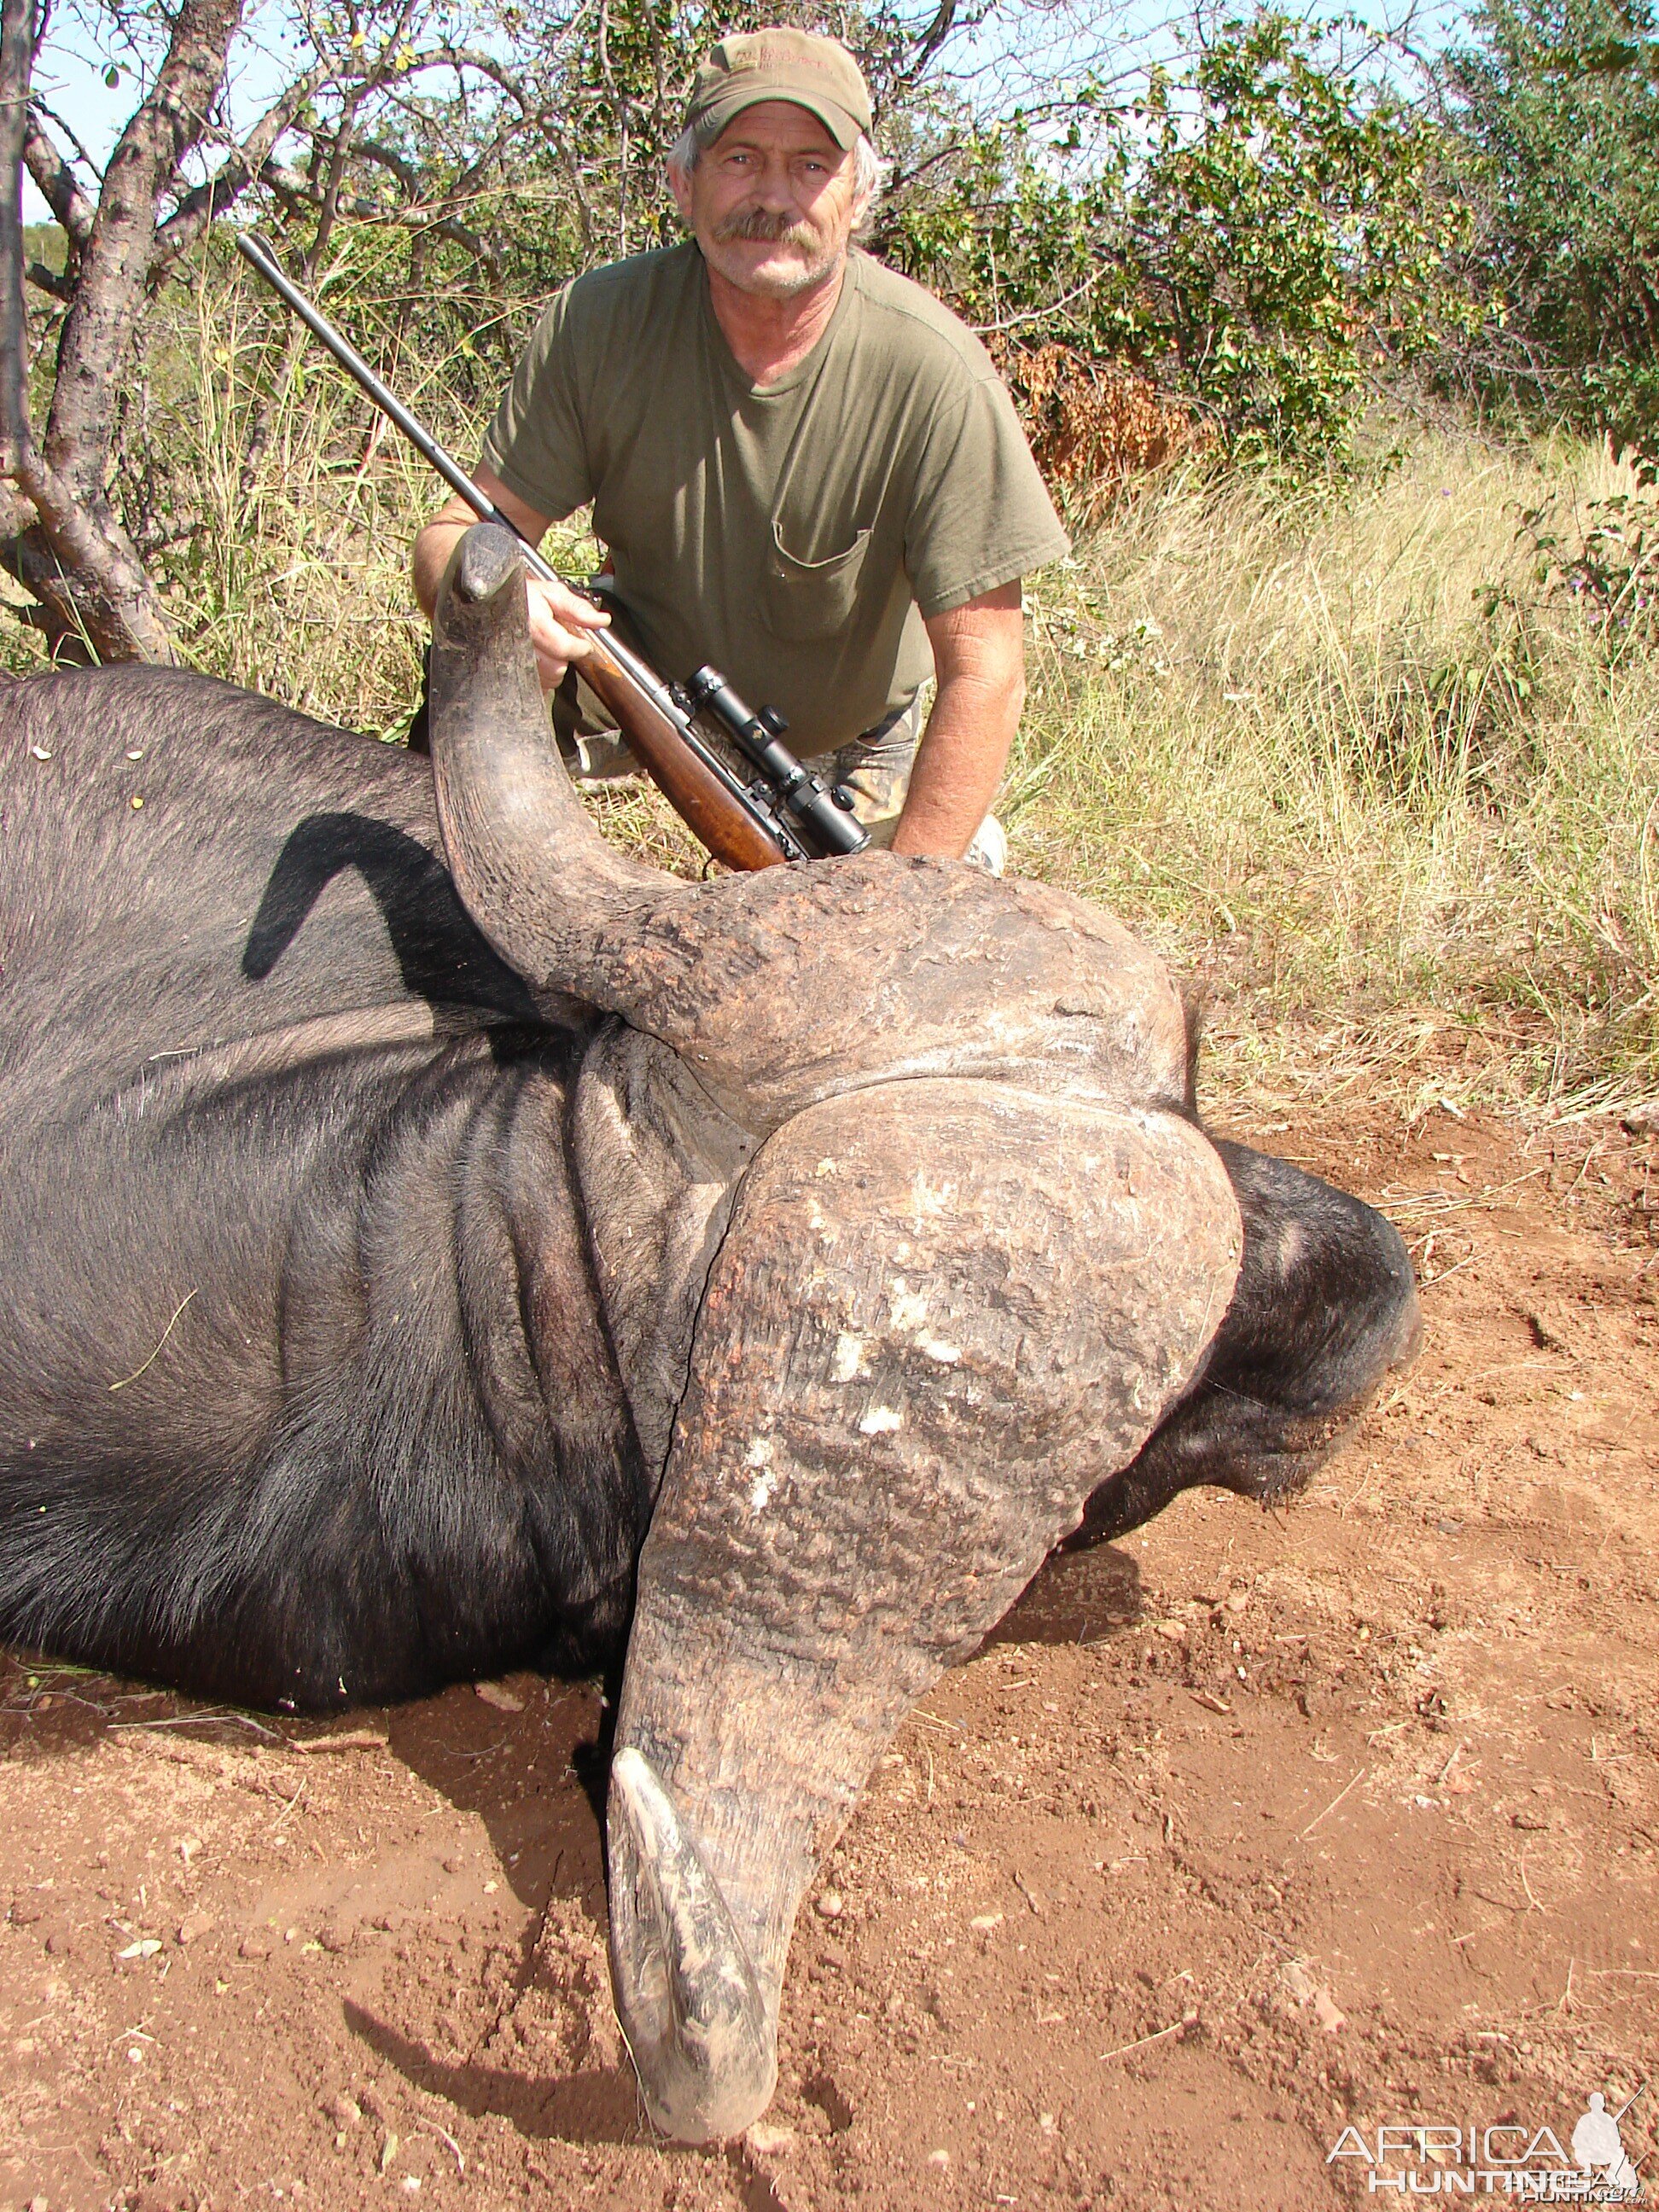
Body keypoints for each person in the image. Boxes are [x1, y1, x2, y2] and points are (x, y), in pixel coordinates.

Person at [412, 26, 1071, 868]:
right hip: (642, 680)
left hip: (847, 740)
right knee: (458, 692)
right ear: (684, 183)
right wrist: (492, 602)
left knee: (879, 934)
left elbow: (987, 675)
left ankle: (923, 862)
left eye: (810, 166)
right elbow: (451, 539)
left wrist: (908, 902)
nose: (773, 196)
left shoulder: (935, 370)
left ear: (857, 197)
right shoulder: (597, 323)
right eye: (740, 159)